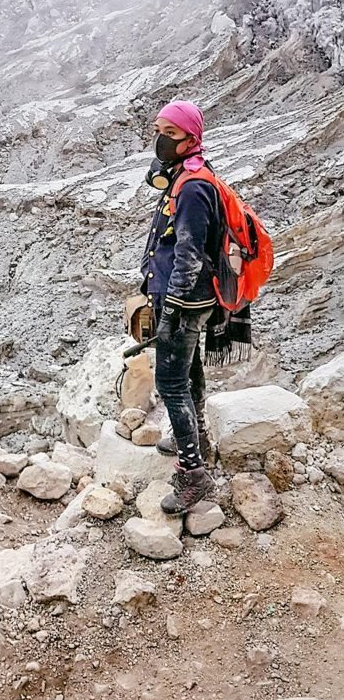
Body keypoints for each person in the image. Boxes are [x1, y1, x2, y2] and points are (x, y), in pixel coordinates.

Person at [140, 100, 219, 513]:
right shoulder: (186, 176)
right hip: (190, 297)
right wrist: (161, 171)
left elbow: (189, 251)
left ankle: (192, 475)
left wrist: (171, 307)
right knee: (190, 370)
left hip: (183, 300)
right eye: (159, 130)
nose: (161, 140)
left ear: (191, 138)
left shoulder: (192, 188)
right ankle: (198, 435)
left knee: (171, 383)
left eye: (170, 134)